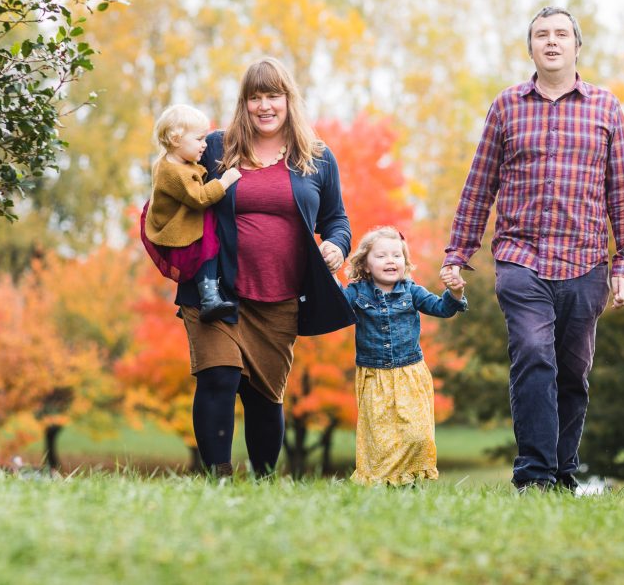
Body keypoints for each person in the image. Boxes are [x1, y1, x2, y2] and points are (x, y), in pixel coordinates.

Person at [441, 6, 624, 493]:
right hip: (520, 257)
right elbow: (479, 183)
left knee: (573, 372)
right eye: (541, 35)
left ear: (577, 46)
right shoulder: (507, 106)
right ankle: (533, 476)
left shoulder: (606, 107)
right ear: (530, 47)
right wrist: (457, 253)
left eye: (560, 35)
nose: (551, 42)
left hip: (586, 262)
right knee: (533, 353)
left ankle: (563, 473)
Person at [176, 57, 355, 478]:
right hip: (214, 288)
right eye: (255, 97)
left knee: (263, 394)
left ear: (289, 100)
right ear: (244, 104)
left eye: (273, 95)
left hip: (280, 296)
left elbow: (336, 218)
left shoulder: (316, 157)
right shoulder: (217, 147)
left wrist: (336, 245)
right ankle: (219, 477)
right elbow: (173, 176)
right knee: (218, 377)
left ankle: (263, 480)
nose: (265, 106)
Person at [342, 226, 467, 486]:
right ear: (365, 264)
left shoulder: (412, 291)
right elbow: (335, 305)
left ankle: (409, 478)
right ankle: (381, 483)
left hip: (409, 373)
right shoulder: (357, 293)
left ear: (405, 262)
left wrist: (455, 292)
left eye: (397, 256)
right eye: (382, 256)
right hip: (375, 377)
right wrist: (328, 275)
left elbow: (442, 308)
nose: (391, 261)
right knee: (380, 437)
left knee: (417, 434)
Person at [142, 104, 241, 322]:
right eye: (199, 139)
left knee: (208, 239)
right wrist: (224, 181)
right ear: (176, 140)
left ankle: (202, 295)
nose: (205, 145)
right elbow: (199, 198)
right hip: (178, 231)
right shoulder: (176, 172)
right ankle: (209, 298)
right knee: (208, 249)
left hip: (177, 221)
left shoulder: (171, 160)